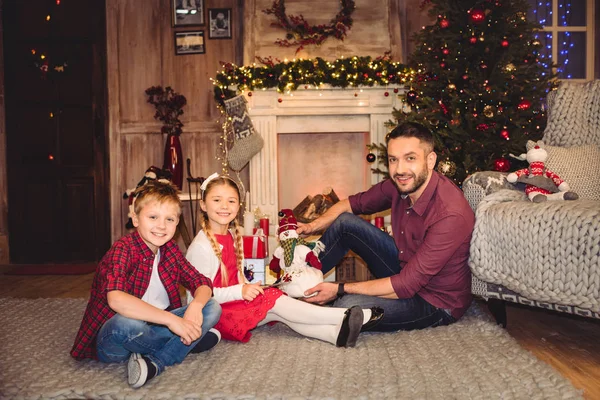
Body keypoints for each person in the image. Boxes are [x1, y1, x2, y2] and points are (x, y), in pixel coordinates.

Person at [298, 122, 476, 331]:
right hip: (404, 268)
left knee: (346, 306)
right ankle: (298, 285)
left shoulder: (450, 214)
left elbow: (405, 286)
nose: (400, 170)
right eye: (393, 160)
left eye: (410, 158)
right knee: (346, 223)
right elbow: (352, 204)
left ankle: (316, 302)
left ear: (430, 160)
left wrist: (339, 289)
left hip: (434, 302)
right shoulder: (400, 184)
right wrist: (313, 226)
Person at [185, 173, 384, 348]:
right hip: (214, 315)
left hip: (232, 304)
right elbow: (202, 296)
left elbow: (234, 278)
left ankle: (334, 335)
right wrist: (241, 291)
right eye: (217, 200)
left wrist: (246, 286)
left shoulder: (231, 235)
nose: (224, 207)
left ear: (238, 205)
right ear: (203, 204)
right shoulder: (202, 246)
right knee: (275, 302)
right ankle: (344, 316)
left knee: (277, 307)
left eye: (231, 201)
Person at [70, 180, 222, 389]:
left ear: (177, 223)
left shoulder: (169, 250)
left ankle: (156, 363)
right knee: (126, 323)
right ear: (135, 219)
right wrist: (172, 321)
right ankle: (186, 342)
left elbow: (201, 282)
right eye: (153, 217)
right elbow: (116, 300)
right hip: (115, 339)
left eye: (169, 219)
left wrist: (195, 307)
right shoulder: (123, 250)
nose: (161, 226)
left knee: (212, 306)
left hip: (155, 326)